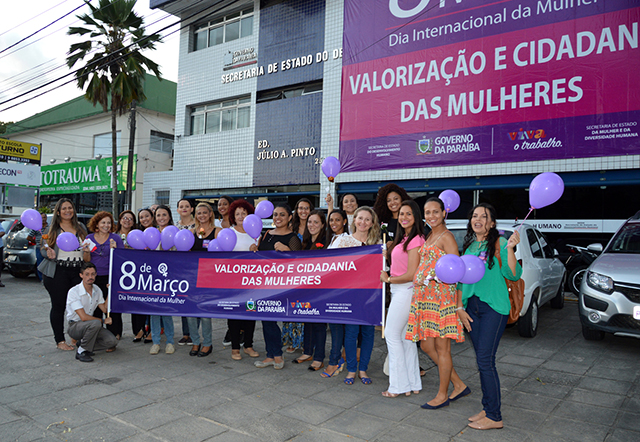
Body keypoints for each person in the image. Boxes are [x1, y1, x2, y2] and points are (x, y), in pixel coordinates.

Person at [457, 203, 522, 430]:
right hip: (471, 309)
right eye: (474, 216)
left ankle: (495, 416)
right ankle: (487, 407)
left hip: (493, 308)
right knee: (482, 360)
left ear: (492, 222)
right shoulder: (469, 246)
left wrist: (511, 249)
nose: (478, 220)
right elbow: (460, 280)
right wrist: (459, 307)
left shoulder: (500, 243)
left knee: (485, 361)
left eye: (483, 217)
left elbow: (513, 274)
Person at [406, 198, 468, 408]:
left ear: (444, 213)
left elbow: (457, 270)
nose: (431, 216)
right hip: (426, 300)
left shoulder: (447, 237)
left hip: (441, 300)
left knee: (443, 349)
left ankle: (442, 395)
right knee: (426, 345)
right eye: (427, 212)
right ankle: (458, 384)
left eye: (435, 212)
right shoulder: (431, 235)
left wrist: (435, 278)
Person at [330, 206, 381, 385]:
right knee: (351, 334)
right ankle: (351, 369)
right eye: (360, 218)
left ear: (372, 223)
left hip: (371, 297)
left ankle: (363, 369)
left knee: (368, 334)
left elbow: (383, 271)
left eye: (367, 219)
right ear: (354, 220)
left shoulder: (378, 245)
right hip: (350, 296)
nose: (363, 222)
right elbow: (330, 265)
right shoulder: (342, 241)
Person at [380, 200, 424, 397]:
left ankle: (398, 386)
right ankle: (412, 383)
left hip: (406, 289)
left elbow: (412, 273)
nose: (404, 217)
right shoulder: (404, 238)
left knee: (391, 335)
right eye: (402, 214)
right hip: (401, 290)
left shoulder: (416, 239)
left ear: (415, 217)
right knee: (406, 339)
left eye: (409, 214)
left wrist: (388, 279)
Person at [250, 203, 302, 370]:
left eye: (282, 215)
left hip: (281, 286)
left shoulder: (292, 238)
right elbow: (261, 259)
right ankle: (270, 355)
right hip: (263, 284)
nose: (277, 218)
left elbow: (298, 264)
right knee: (266, 321)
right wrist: (255, 250)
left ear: (289, 218)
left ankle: (277, 356)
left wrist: (287, 251)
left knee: (271, 321)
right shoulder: (266, 234)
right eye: (275, 215)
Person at [40, 198, 89, 351]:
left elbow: (86, 248)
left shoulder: (80, 227)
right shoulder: (52, 228)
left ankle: (75, 337)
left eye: (70, 208)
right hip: (58, 272)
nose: (68, 211)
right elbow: (43, 248)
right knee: (59, 306)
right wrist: (49, 253)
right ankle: (60, 340)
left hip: (77, 271)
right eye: (64, 208)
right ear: (58, 212)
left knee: (78, 306)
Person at [294, 210, 327, 371]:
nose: (312, 225)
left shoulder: (327, 242)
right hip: (306, 289)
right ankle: (308, 351)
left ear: (322, 225)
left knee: (319, 324)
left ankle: (319, 357)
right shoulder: (305, 243)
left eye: (316, 222)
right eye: (309, 222)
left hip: (321, 290)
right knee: (307, 320)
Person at [66, 262, 118, 362]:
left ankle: (84, 344)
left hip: (91, 326)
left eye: (93, 274)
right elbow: (83, 317)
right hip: (75, 326)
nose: (90, 277)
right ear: (81, 275)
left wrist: (109, 292)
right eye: (87, 274)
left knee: (112, 341)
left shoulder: (97, 290)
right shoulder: (74, 291)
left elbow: (105, 309)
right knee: (96, 323)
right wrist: (103, 320)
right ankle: (81, 351)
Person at [228, 199, 260, 360]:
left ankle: (248, 345)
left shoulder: (256, 233)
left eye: (244, 213)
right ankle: (235, 348)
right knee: (234, 315)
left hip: (252, 283)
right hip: (233, 282)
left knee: (250, 313)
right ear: (233, 215)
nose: (241, 216)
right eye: (237, 213)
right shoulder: (228, 233)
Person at [86, 211, 124, 341]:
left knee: (112, 305)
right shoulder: (89, 238)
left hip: (111, 275)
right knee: (96, 304)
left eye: (109, 222)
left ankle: (115, 332)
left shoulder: (116, 238)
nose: (106, 225)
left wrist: (115, 250)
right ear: (96, 223)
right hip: (95, 277)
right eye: (103, 222)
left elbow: (121, 259)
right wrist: (85, 251)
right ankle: (97, 332)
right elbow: (87, 260)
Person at [321, 209, 349, 378]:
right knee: (336, 327)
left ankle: (334, 361)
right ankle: (340, 358)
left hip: (340, 290)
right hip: (331, 289)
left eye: (337, 220)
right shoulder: (333, 238)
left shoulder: (346, 239)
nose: (333, 223)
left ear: (345, 221)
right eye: (331, 220)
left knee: (337, 327)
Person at [283, 198, 313, 352]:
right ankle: (290, 340)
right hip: (290, 273)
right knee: (289, 305)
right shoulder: (290, 228)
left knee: (303, 307)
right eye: (300, 208)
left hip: (308, 274)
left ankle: (300, 342)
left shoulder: (314, 227)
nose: (303, 211)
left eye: (306, 208)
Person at [187, 202, 216, 358]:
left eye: (205, 212)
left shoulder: (218, 232)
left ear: (210, 214)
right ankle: (195, 341)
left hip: (210, 278)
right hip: (192, 277)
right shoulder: (191, 233)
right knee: (191, 313)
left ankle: (207, 343)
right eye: (199, 213)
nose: (202, 215)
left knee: (205, 313)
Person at [149, 205, 176, 355]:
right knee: (154, 311)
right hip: (153, 278)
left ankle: (170, 341)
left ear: (169, 216)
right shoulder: (150, 233)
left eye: (164, 215)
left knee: (166, 310)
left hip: (169, 278)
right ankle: (156, 341)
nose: (161, 218)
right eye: (158, 215)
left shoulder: (175, 233)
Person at [176, 198, 196, 346]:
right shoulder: (174, 227)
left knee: (195, 300)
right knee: (182, 299)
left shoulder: (198, 225)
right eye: (181, 206)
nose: (184, 208)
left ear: (192, 209)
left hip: (195, 268)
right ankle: (185, 333)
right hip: (179, 268)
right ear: (177, 210)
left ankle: (194, 333)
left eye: (187, 206)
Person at [35, 211, 49, 281]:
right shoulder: (36, 227)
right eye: (41, 218)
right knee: (40, 263)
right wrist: (37, 242)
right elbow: (29, 237)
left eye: (44, 217)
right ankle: (41, 279)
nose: (43, 219)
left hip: (48, 248)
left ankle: (47, 278)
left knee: (48, 263)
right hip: (39, 248)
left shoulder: (49, 227)